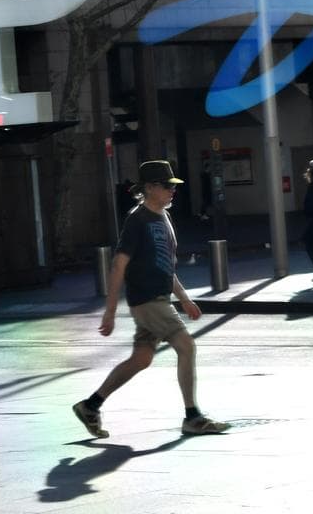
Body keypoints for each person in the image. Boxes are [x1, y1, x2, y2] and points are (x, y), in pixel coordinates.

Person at [72, 160, 231, 438]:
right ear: (149, 188)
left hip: (158, 300)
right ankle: (192, 416)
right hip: (148, 301)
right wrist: (109, 312)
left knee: (142, 358)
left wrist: (183, 299)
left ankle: (90, 405)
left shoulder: (163, 217)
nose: (173, 191)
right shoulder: (138, 220)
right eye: (167, 186)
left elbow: (164, 265)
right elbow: (119, 265)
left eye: (173, 186)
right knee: (186, 346)